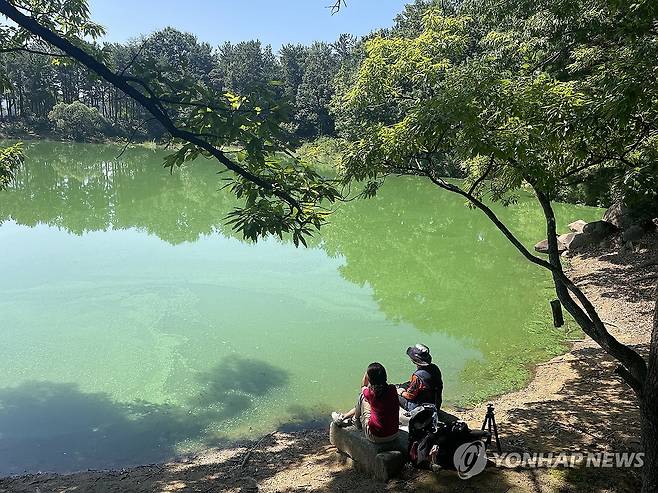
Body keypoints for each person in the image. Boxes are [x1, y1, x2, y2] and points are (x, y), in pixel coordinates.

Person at [331, 362, 400, 443]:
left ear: (370, 378)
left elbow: (363, 386)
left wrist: (367, 373)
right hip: (394, 434)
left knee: (362, 397)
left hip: (376, 436)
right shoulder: (392, 389)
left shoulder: (370, 394)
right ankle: (345, 417)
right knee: (367, 400)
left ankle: (353, 420)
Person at [397, 344, 443, 411]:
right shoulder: (435, 368)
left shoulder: (417, 376)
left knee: (395, 394)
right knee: (405, 384)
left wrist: (401, 392)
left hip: (420, 409)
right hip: (435, 405)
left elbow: (410, 396)